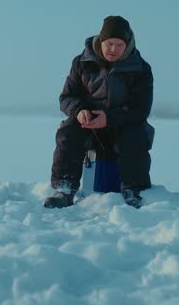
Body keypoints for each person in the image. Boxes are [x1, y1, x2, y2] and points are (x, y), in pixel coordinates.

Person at [45, 15, 154, 209]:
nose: (114, 49)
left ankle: (132, 189)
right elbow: (66, 98)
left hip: (123, 123)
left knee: (136, 132)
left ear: (127, 45)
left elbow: (140, 110)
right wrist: (79, 111)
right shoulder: (82, 62)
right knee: (68, 130)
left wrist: (109, 118)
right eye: (110, 43)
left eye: (119, 45)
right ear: (101, 41)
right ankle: (65, 188)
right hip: (89, 125)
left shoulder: (141, 69)